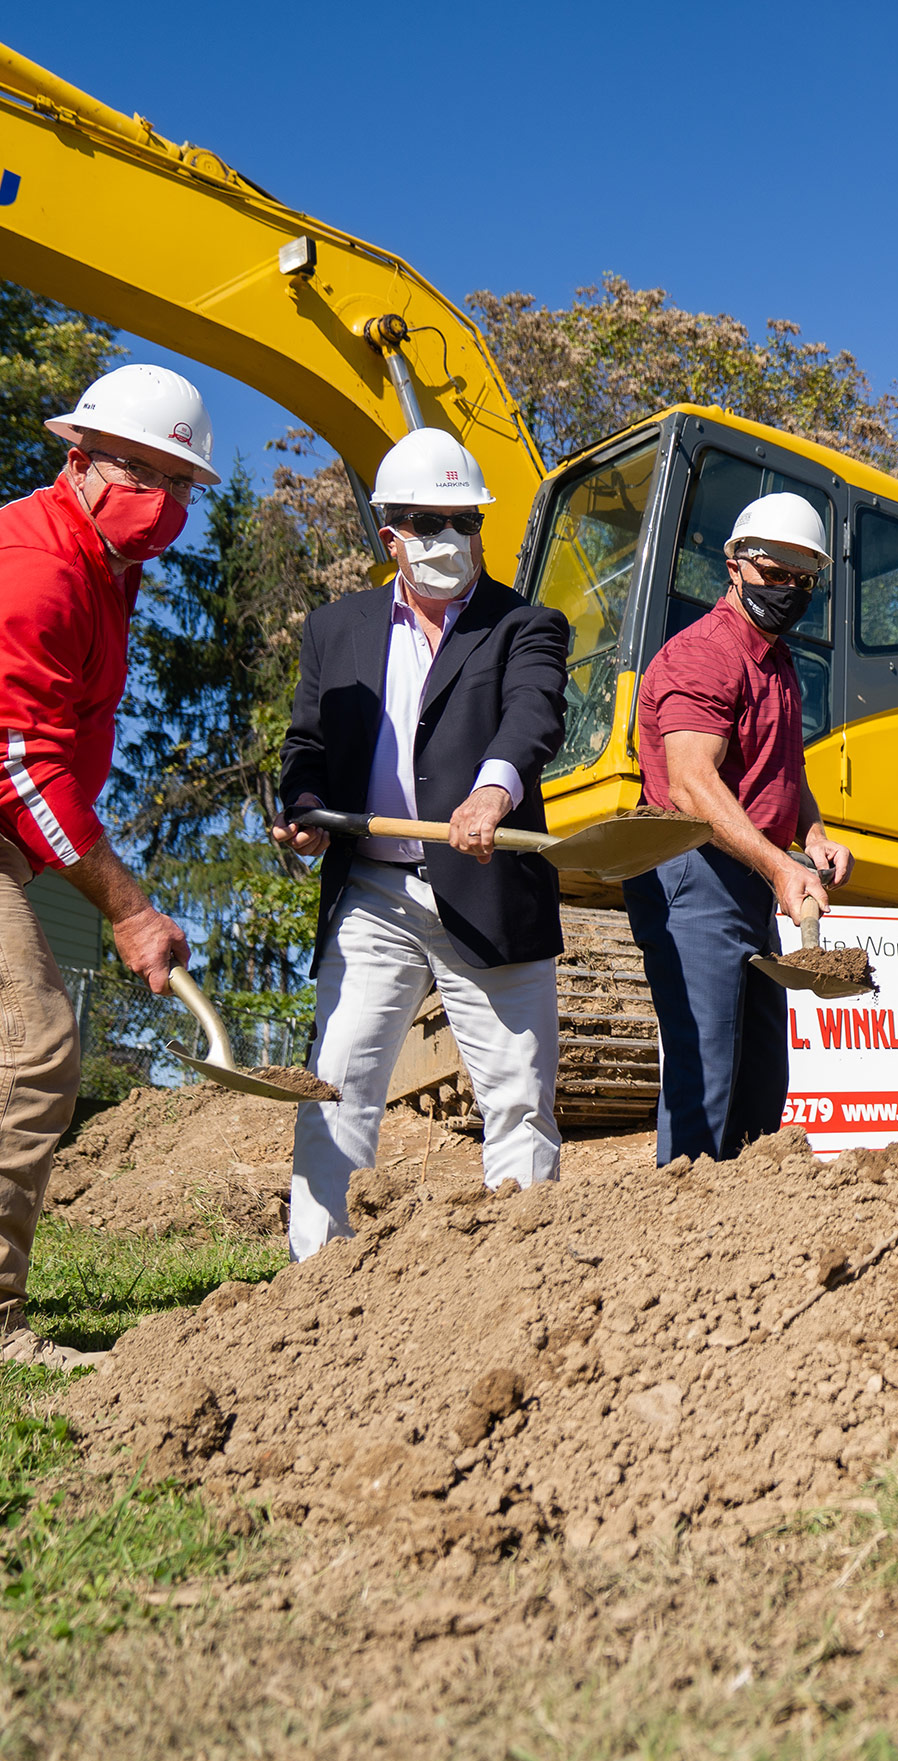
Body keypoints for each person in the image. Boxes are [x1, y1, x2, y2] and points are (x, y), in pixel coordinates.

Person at [272, 428, 570, 1260]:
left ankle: (520, 1268)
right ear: (388, 535)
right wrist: (303, 805)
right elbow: (308, 743)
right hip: (372, 892)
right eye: (425, 522)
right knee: (338, 1087)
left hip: (486, 890)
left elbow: (534, 713)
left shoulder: (525, 623)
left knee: (516, 1094)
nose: (448, 539)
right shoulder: (337, 628)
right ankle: (319, 1277)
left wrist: (492, 787)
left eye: (462, 521)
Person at [0, 365, 208, 1366]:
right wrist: (129, 910)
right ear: (76, 461)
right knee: (33, 1047)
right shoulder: (37, 565)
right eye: (140, 472)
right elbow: (19, 762)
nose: (161, 503)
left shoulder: (101, 569)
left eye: (181, 485)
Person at [624, 491, 853, 1167]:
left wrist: (811, 837)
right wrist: (781, 866)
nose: (786, 588)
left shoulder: (778, 663)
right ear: (734, 564)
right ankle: (680, 1238)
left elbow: (784, 771)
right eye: (772, 571)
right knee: (707, 1081)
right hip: (694, 872)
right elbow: (695, 786)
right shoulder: (703, 655)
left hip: (748, 876)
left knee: (760, 1087)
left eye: (800, 578)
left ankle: (743, 1242)